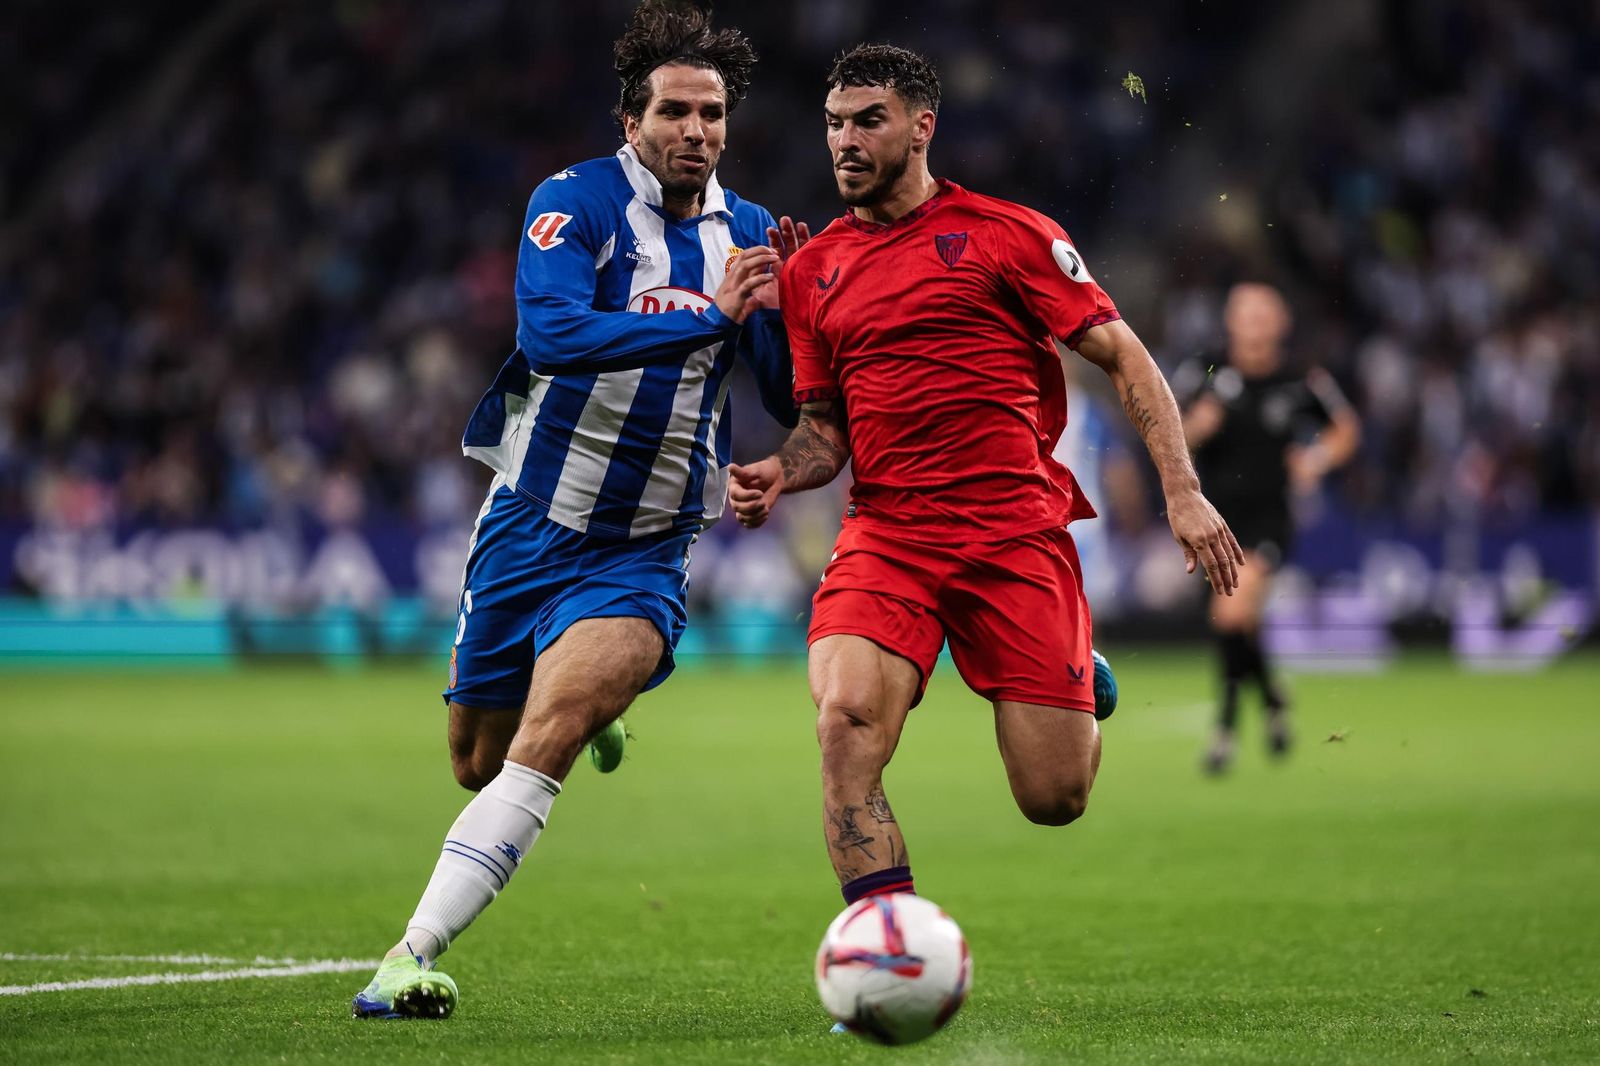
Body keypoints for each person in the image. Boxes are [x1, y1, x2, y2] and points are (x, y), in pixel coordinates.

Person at [351, 0, 797, 1019]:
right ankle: (602, 708)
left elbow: (774, 384)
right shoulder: (574, 203)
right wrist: (706, 315)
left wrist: (792, 306)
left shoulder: (756, 232)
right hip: (531, 518)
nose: (697, 132)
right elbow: (551, 334)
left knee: (541, 738)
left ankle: (406, 958)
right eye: (675, 112)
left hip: (645, 543)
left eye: (714, 114)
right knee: (473, 761)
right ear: (630, 120)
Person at [728, 44, 1241, 913]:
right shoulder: (813, 270)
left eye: (868, 121)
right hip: (888, 533)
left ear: (923, 128)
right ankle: (884, 951)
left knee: (1054, 798)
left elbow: (1126, 357)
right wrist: (782, 468)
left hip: (1011, 534)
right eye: (833, 124)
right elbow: (826, 431)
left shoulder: (1010, 235)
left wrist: (1182, 492)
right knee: (845, 723)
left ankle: (1074, 665)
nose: (845, 141)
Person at [1173, 282, 1361, 773]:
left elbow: (1345, 428)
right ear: (1229, 321)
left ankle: (1224, 732)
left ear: (1281, 324)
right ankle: (1274, 701)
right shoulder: (1205, 371)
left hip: (1269, 519)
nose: (1255, 323)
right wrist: (1197, 428)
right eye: (1245, 313)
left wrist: (1316, 458)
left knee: (1229, 616)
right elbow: (1166, 431)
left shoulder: (1300, 379)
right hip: (1212, 520)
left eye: (1264, 314)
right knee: (1242, 624)